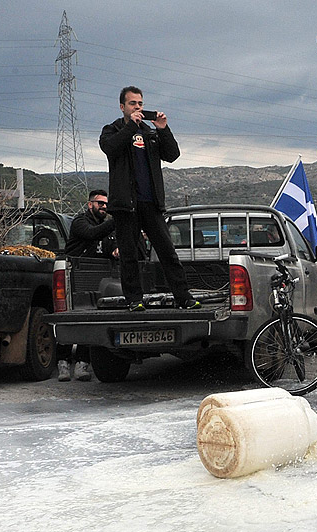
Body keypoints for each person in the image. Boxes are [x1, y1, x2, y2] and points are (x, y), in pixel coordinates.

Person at [99, 86, 199, 312]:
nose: (137, 107)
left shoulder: (150, 132)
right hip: (126, 205)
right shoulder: (112, 130)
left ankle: (183, 298)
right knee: (129, 256)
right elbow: (111, 149)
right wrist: (131, 126)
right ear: (122, 106)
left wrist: (163, 129)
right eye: (133, 104)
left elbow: (172, 155)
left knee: (167, 252)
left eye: (140, 104)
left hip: (151, 203)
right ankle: (134, 300)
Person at [58, 189, 117, 382]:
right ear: (90, 204)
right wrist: (115, 221)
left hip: (97, 279)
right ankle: (63, 362)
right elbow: (91, 234)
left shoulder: (107, 230)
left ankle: (83, 363)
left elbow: (107, 248)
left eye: (106, 204)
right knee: (70, 317)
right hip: (76, 275)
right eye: (100, 203)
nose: (104, 207)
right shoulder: (80, 222)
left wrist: (115, 251)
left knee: (91, 319)